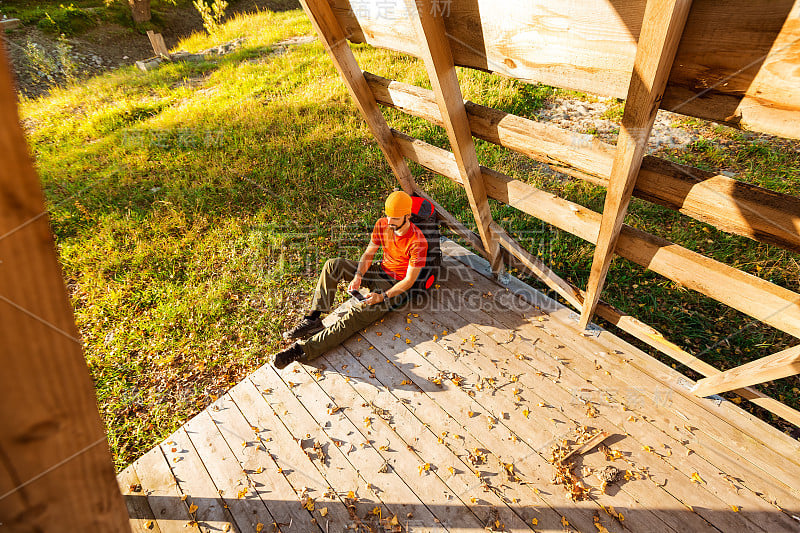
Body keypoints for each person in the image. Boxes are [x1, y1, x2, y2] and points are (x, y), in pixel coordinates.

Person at [272, 190, 430, 369]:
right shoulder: (382, 224)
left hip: (394, 287)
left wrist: (382, 297)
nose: (389, 221)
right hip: (379, 270)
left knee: (355, 314)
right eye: (387, 216)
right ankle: (313, 319)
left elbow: (409, 281)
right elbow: (369, 254)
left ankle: (301, 350)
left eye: (394, 218)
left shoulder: (418, 242)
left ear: (407, 216)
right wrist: (358, 276)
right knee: (333, 265)